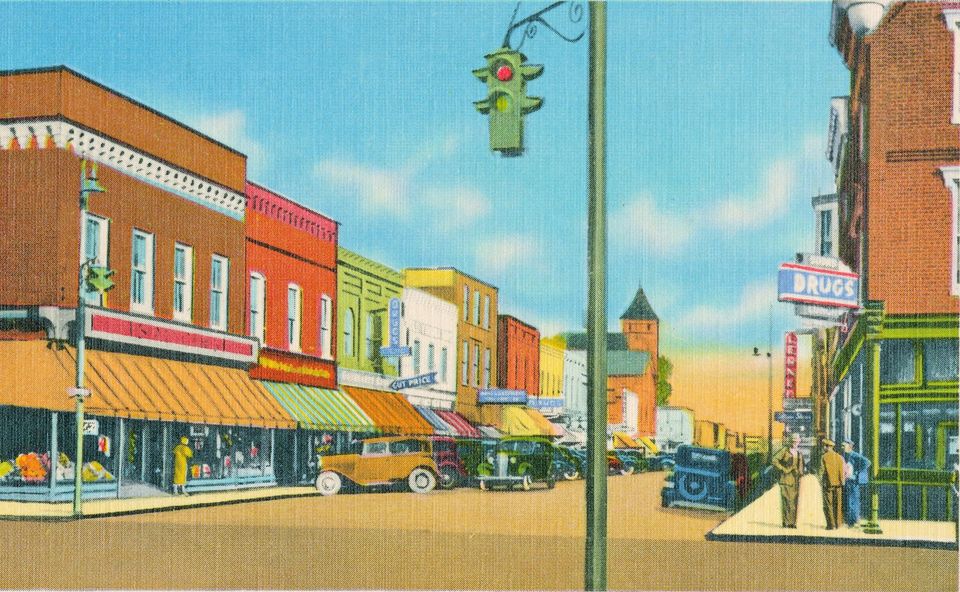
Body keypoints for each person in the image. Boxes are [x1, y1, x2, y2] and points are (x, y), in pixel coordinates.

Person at [772, 433, 805, 528]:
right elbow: (774, 460)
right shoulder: (785, 451)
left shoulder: (799, 453)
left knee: (794, 502)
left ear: (799, 442)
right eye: (793, 441)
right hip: (785, 480)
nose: (795, 443)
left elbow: (802, 467)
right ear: (791, 441)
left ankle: (792, 523)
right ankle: (786, 522)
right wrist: (784, 469)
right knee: (786, 501)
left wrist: (800, 473)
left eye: (797, 441)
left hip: (795, 481)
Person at [842, 440, 871, 526]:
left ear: (849, 446)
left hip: (853, 481)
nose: (842, 447)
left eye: (844, 446)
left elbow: (867, 462)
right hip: (848, 480)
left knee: (852, 500)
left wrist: (858, 472)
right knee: (850, 500)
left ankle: (853, 521)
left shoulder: (854, 455)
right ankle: (852, 520)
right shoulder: (845, 455)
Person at [819, 438, 845, 530]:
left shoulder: (824, 457)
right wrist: (842, 482)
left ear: (827, 447)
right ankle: (838, 524)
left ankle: (831, 525)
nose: (823, 448)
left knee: (828, 504)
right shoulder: (839, 457)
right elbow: (843, 471)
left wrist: (820, 482)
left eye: (824, 446)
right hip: (838, 484)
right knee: (837, 504)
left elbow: (821, 472)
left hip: (828, 484)